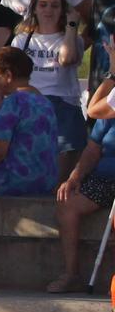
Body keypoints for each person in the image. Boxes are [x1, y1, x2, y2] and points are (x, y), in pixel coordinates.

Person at [50, 77, 115, 294]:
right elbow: (93, 148)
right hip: (105, 176)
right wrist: (74, 176)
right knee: (66, 202)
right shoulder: (110, 107)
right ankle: (71, 274)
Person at [13, 0, 87, 168]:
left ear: (63, 10)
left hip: (63, 105)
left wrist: (71, 26)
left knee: (62, 171)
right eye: (43, 4)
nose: (49, 10)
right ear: (35, 8)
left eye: (55, 5)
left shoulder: (71, 38)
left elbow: (67, 59)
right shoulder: (22, 40)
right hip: (31, 105)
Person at [0, 45, 60, 198]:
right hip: (45, 183)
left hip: (14, 182)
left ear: (8, 75)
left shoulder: (14, 102)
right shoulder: (45, 103)